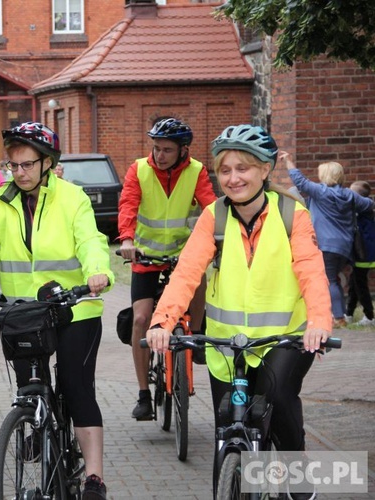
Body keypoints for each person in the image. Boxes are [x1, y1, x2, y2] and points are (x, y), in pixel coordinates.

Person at [146, 124, 331, 500]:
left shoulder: (292, 215)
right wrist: (162, 321)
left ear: (264, 170)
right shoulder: (213, 218)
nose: (233, 178)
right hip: (226, 344)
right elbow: (186, 274)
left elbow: (311, 271)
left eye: (243, 168)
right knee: (227, 427)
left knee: (277, 401)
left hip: (285, 338)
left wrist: (319, 323)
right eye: (225, 170)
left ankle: (297, 472)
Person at [0, 122, 114, 499]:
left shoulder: (72, 197)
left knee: (77, 390)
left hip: (75, 308)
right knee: (30, 388)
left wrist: (98, 270)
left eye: (27, 164)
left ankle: (94, 476)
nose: (20, 172)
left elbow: (90, 240)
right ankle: (35, 420)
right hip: (23, 313)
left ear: (47, 163)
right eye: (13, 165)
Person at [117, 117, 216, 420]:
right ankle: (143, 394)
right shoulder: (139, 169)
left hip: (182, 256)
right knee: (141, 319)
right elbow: (128, 205)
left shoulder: (197, 171)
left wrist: (219, 238)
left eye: (167, 150)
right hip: (145, 257)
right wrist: (128, 239)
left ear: (183, 150)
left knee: (199, 278)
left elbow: (210, 206)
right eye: (156, 148)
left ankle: (195, 335)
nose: (159, 155)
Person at [283, 156, 375, 328]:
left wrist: (288, 161)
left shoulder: (321, 192)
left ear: (325, 175)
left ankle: (338, 317)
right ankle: (337, 313)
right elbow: (368, 204)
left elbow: (300, 182)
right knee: (334, 279)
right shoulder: (349, 195)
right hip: (345, 246)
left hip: (326, 244)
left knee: (329, 280)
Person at [345, 180, 375, 326]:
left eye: (351, 192)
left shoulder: (363, 209)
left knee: (360, 285)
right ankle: (349, 313)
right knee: (353, 284)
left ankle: (369, 317)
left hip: (364, 254)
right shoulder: (363, 209)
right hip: (362, 253)